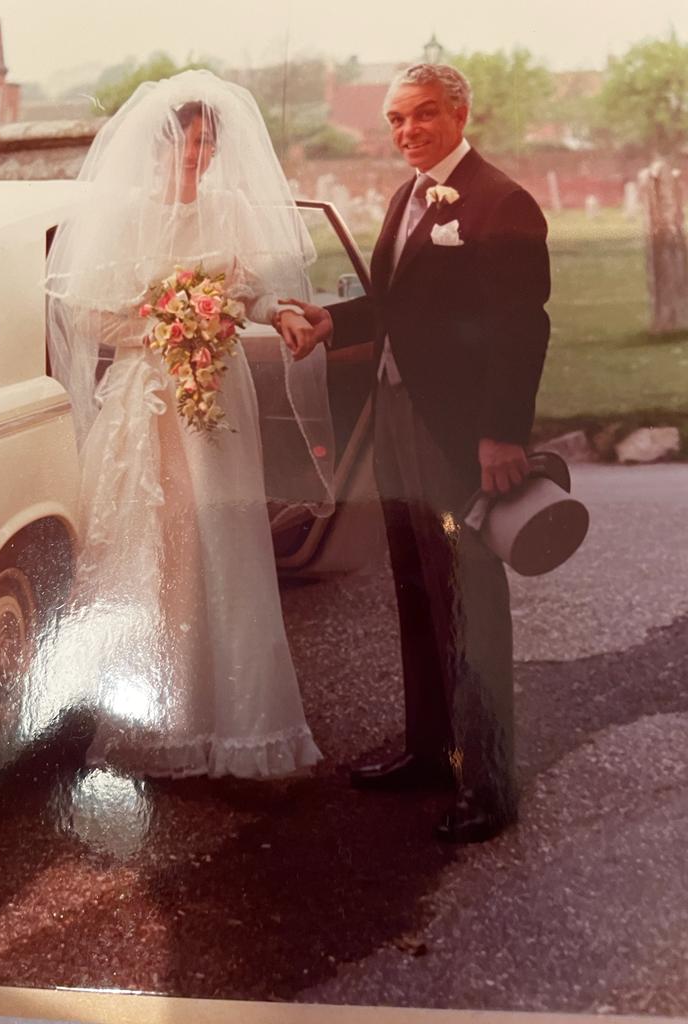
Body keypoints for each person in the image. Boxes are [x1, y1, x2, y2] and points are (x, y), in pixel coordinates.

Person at [45, 71, 333, 779]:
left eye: (208, 144)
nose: (198, 155)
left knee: (224, 542)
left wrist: (282, 312)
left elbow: (252, 291)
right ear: (161, 145)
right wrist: (170, 321)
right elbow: (87, 314)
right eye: (188, 142)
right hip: (148, 402)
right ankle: (156, 730)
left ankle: (244, 729)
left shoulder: (230, 208)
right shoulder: (130, 217)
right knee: (159, 556)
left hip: (216, 399)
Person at [288, 63, 551, 841]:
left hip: (460, 430)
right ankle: (430, 751)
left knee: (469, 600)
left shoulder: (502, 202)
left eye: (424, 116)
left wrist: (502, 432)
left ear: (462, 113)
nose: (408, 132)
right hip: (397, 415)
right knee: (415, 587)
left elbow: (522, 329)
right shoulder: (408, 196)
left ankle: (490, 784)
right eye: (397, 119)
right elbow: (399, 302)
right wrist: (338, 321)